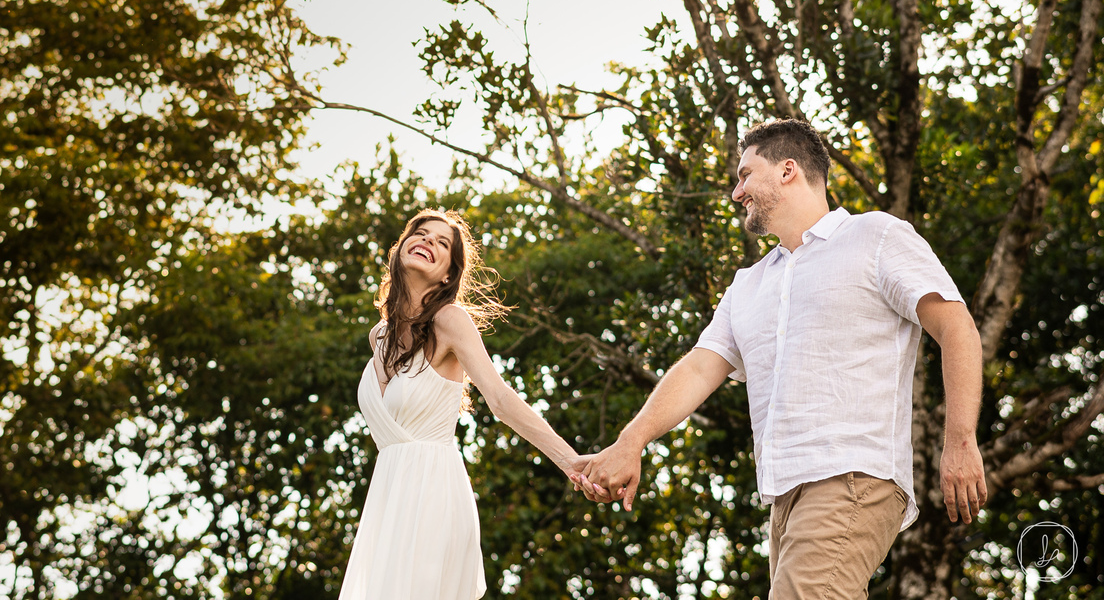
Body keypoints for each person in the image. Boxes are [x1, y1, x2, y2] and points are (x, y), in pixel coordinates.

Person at [573, 118, 987, 599]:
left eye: (746, 174)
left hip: (851, 475)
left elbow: (956, 327)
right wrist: (631, 441)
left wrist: (960, 440)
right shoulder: (748, 284)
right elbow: (698, 367)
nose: (736, 191)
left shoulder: (876, 237)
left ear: (788, 169)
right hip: (784, 496)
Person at [339, 209, 583, 600]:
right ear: (401, 247)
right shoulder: (379, 336)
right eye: (420, 233)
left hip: (433, 491)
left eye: (441, 243)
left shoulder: (450, 320)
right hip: (389, 493)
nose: (426, 242)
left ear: (449, 274)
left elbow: (501, 399)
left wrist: (571, 462)